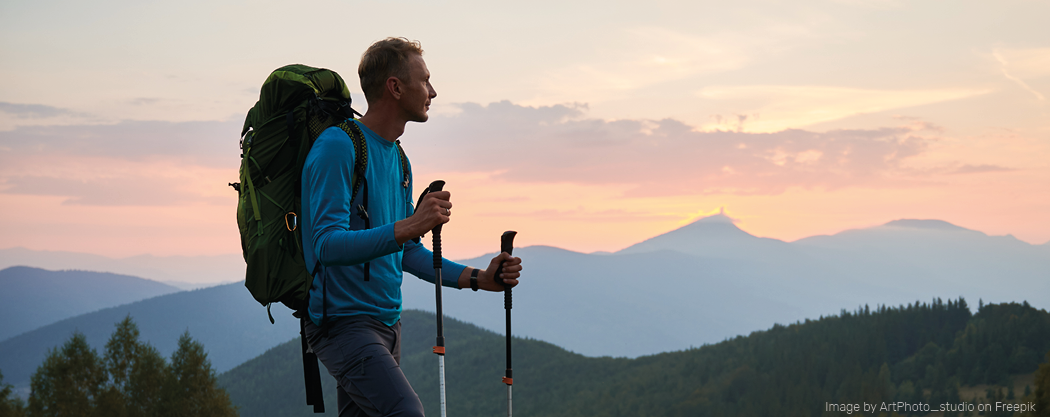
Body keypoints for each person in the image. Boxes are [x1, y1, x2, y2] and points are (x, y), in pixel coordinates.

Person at [300, 37, 523, 417]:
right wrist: (411, 224)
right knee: (407, 412)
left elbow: (407, 251)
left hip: (388, 325)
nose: (433, 91)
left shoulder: (399, 160)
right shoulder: (338, 146)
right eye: (425, 80)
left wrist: (478, 279)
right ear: (395, 86)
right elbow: (326, 244)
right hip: (342, 324)